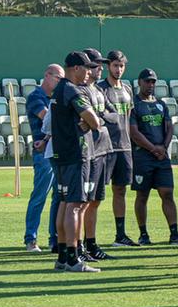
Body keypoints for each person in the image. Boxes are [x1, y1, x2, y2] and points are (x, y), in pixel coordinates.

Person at [50, 51, 102, 273]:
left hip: (62, 154)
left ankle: (63, 255)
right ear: (75, 68)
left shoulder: (59, 89)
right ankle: (73, 257)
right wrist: (91, 123)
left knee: (64, 202)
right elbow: (94, 120)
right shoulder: (72, 89)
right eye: (86, 68)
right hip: (76, 153)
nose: (89, 72)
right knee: (75, 204)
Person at [128, 68, 178, 245]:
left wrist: (163, 147)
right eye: (147, 81)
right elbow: (134, 132)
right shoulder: (134, 105)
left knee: (167, 193)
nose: (150, 85)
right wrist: (153, 148)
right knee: (142, 195)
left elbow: (169, 127)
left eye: (153, 81)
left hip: (161, 157)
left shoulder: (160, 104)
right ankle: (143, 234)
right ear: (139, 82)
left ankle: (174, 233)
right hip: (142, 156)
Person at [24, 65, 63, 251]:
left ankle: (54, 238)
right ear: (47, 76)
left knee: (59, 196)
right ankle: (30, 238)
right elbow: (47, 118)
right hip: (43, 153)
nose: (59, 82)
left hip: (56, 150)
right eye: (57, 78)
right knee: (40, 196)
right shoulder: (36, 97)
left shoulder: (56, 96)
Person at [99, 50, 136, 247]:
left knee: (120, 190)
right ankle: (88, 239)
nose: (118, 69)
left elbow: (128, 117)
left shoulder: (128, 89)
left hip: (125, 146)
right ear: (108, 66)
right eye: (115, 65)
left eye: (121, 66)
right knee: (95, 194)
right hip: (105, 147)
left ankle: (120, 235)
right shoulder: (101, 89)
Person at [79, 49, 113, 262]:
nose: (100, 68)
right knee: (83, 201)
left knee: (96, 200)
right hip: (88, 151)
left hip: (103, 149)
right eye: (96, 64)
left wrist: (100, 118)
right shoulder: (81, 90)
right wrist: (100, 119)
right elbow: (88, 119)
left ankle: (91, 242)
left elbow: (112, 113)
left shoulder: (99, 90)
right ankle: (79, 245)